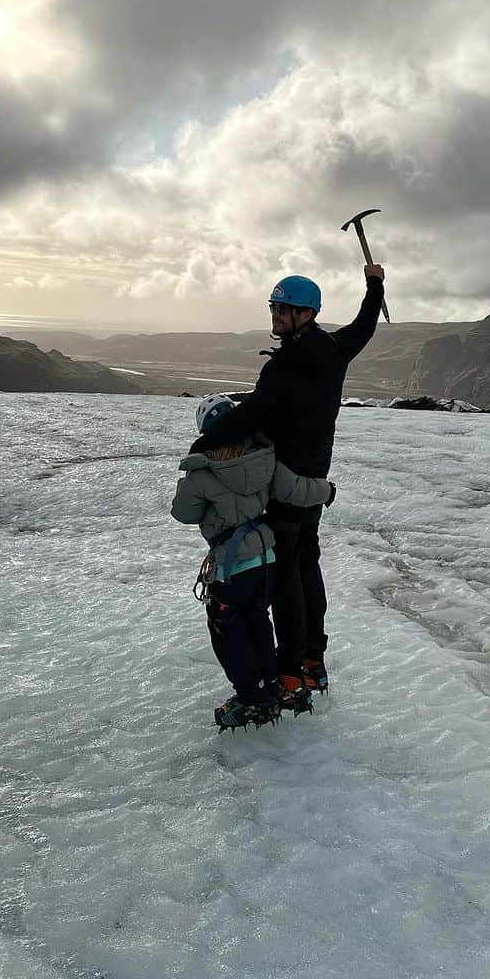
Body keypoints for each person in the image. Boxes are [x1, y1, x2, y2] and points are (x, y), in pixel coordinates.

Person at [190, 264, 385, 710]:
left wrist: (206, 442)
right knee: (306, 564)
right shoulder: (333, 348)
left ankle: (292, 670)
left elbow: (256, 412)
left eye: (285, 309)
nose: (277, 314)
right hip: (315, 476)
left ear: (306, 313)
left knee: (285, 577)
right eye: (274, 306)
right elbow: (364, 327)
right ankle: (312, 660)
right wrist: (375, 285)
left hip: (285, 481)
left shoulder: (289, 364)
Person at [171, 393, 334, 730]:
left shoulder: (202, 472)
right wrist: (327, 491)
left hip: (231, 565)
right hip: (265, 557)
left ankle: (251, 696)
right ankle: (271, 687)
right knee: (258, 620)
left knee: (227, 628)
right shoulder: (264, 459)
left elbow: (183, 513)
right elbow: (297, 490)